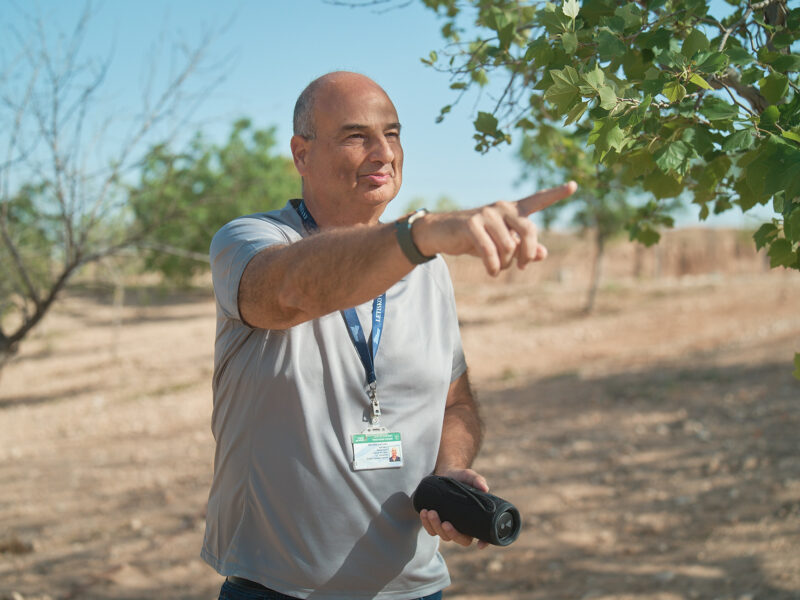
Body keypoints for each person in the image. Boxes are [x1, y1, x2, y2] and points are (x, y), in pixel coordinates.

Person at [202, 71, 576, 600]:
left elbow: (455, 403)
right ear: (301, 154)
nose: (383, 152)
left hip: (414, 590)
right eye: (357, 136)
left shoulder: (426, 268)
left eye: (393, 134)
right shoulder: (249, 241)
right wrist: (418, 234)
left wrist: (450, 472)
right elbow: (290, 289)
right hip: (276, 588)